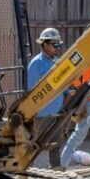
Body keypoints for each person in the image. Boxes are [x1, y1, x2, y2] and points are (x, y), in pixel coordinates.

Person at [27, 27, 66, 168]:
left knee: (55, 144)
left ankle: (56, 169)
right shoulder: (36, 64)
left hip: (56, 111)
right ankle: (27, 171)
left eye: (59, 45)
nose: (58, 48)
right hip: (41, 114)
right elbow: (31, 90)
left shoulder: (58, 62)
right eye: (55, 45)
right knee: (35, 145)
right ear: (44, 44)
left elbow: (64, 86)